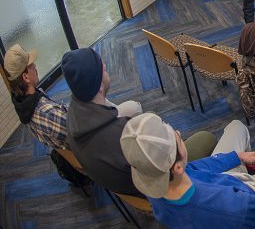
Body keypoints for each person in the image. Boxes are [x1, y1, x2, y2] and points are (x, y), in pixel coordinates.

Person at [63, 48, 216, 196]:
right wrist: (175, 142)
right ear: (98, 85)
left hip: (121, 184)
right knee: (206, 137)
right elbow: (161, 167)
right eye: (102, 68)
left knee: (149, 116)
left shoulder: (72, 116)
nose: (104, 66)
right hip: (153, 188)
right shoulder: (123, 134)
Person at [121, 114, 255, 229]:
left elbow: (194, 168)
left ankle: (251, 170)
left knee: (236, 126)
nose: (179, 132)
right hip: (252, 199)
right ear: (177, 167)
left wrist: (238, 157)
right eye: (179, 139)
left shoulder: (153, 179)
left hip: (221, 185)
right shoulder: (232, 209)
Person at [4, 44, 67, 150]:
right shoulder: (46, 112)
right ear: (26, 77)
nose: (35, 66)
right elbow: (79, 133)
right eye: (31, 65)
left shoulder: (22, 105)